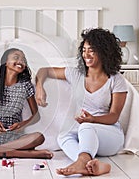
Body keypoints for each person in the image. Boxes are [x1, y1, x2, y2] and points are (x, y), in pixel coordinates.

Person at [35, 28, 127, 176]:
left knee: (86, 127)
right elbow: (43, 70)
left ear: (104, 51)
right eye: (84, 50)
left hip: (110, 135)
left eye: (91, 50)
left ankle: (81, 163)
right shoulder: (75, 74)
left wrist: (93, 119)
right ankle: (92, 164)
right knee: (63, 136)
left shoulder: (116, 79)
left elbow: (114, 116)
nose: (86, 55)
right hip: (85, 133)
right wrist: (39, 87)